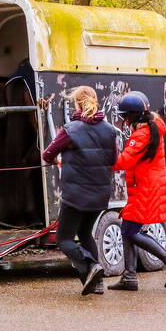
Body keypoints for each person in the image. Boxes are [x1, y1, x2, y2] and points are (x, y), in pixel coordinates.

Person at [42, 86, 118, 295]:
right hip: (100, 194)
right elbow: (113, 160)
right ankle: (96, 283)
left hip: (76, 194)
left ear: (76, 104)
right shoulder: (110, 130)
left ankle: (91, 265)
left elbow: (47, 154)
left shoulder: (70, 129)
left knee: (64, 239)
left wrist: (57, 161)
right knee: (85, 234)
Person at [107, 92, 166, 291]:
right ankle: (129, 277)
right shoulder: (148, 128)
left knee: (130, 230)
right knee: (128, 229)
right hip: (146, 186)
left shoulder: (142, 135)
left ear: (133, 115)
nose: (123, 120)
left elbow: (122, 161)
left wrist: (100, 157)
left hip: (145, 188)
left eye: (125, 116)